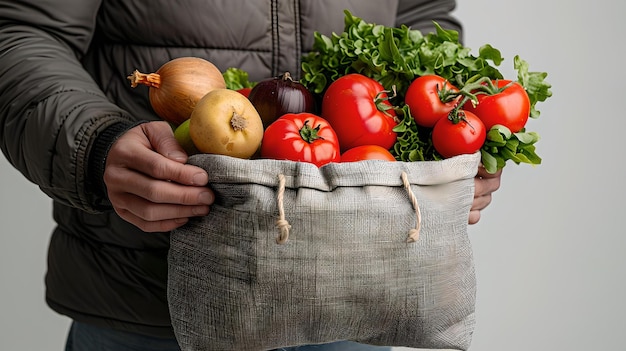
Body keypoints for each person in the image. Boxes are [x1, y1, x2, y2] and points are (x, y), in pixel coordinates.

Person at [0, 0, 502, 350]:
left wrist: (446, 143)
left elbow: (419, 20)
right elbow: (21, 29)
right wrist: (95, 143)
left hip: (357, 295)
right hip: (147, 299)